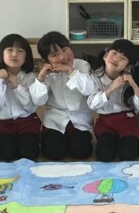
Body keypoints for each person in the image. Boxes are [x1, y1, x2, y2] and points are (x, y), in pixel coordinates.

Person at [31, 31, 94, 161]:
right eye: (54, 55)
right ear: (46, 60)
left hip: (79, 118)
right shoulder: (47, 72)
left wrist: (71, 71)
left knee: (81, 151)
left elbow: (88, 90)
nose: (63, 57)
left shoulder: (82, 65)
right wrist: (41, 77)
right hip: (55, 118)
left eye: (65, 49)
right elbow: (38, 101)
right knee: (54, 153)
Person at [88, 39, 139, 162]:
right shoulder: (94, 76)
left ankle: (124, 141)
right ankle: (113, 141)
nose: (116, 59)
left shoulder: (129, 77)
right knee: (104, 156)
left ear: (127, 66)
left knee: (128, 155)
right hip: (105, 122)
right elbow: (92, 104)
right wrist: (111, 89)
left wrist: (134, 85)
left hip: (127, 120)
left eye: (122, 58)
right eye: (114, 53)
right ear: (105, 56)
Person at [0, 33, 42, 161]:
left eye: (20, 51)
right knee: (6, 154)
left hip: (27, 122)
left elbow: (30, 107)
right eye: (9, 50)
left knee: (29, 154)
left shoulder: (31, 77)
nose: (14, 54)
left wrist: (16, 86)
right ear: (1, 54)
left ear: (26, 56)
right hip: (3, 124)